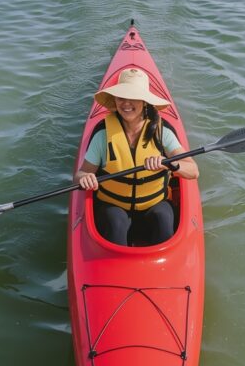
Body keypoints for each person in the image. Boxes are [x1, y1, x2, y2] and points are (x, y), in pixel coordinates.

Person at [74, 68, 198, 246]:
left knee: (163, 218)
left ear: (145, 102)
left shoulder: (162, 132)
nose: (126, 104)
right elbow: (80, 174)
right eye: (121, 98)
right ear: (115, 100)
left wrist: (169, 165)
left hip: (154, 204)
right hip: (113, 207)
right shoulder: (103, 134)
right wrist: (86, 178)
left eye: (133, 98)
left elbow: (193, 171)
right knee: (116, 223)